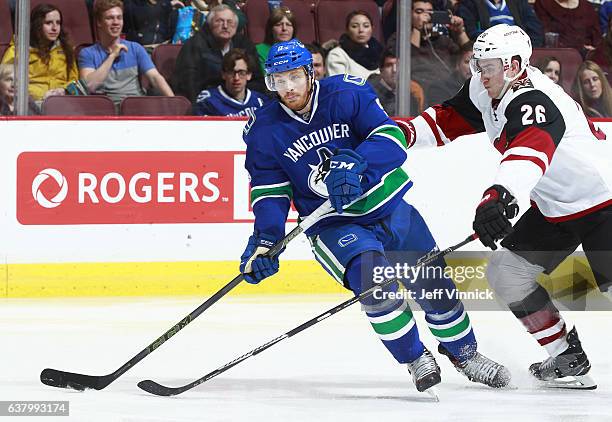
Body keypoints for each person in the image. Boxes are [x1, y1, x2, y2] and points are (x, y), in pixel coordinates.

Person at [240, 39, 511, 393]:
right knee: (374, 282)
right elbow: (271, 192)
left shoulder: (347, 93)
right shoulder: (263, 130)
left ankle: (465, 354)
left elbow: (391, 137)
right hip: (334, 224)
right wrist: (266, 239)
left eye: (294, 76)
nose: (288, 88)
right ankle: (415, 358)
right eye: (278, 80)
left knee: (434, 286)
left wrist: (358, 161)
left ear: (310, 72)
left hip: (389, 206)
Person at [396, 24, 611, 389]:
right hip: (555, 207)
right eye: (478, 65)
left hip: (603, 201)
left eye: (488, 66)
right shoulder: (486, 86)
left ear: (513, 65)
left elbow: (530, 153)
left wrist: (499, 194)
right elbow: (449, 119)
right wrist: (400, 134)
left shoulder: (533, 100)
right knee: (507, 274)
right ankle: (567, 357)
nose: (479, 73)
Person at [79, 0, 174, 105]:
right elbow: (89, 86)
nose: (116, 22)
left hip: (137, 107)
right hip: (107, 111)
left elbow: (155, 78)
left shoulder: (135, 48)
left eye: (119, 18)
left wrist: (174, 102)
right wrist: (112, 56)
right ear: (99, 22)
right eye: (110, 18)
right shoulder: (87, 53)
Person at [172, 4, 263, 102]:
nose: (225, 26)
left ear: (236, 26)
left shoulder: (245, 45)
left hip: (242, 101)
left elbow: (257, 79)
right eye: (219, 21)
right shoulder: (194, 45)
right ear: (210, 24)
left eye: (230, 22)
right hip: (209, 102)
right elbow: (188, 84)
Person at [388, 0, 470, 94]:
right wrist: (417, 29)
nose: (425, 16)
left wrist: (460, 33)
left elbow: (467, 57)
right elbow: (411, 61)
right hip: (418, 91)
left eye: (430, 12)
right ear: (409, 15)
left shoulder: (442, 40)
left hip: (448, 89)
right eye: (419, 12)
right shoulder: (399, 38)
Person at [1, 3, 78, 102]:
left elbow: (74, 80)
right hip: (30, 103)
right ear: (37, 25)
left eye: (58, 23)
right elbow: (5, 81)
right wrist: (39, 95)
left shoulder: (66, 49)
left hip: (62, 102)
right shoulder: (19, 50)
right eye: (48, 23)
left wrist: (64, 90)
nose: (55, 28)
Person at [194, 48, 268, 116]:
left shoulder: (261, 101)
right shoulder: (209, 100)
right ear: (223, 74)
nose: (236, 78)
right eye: (231, 72)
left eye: (241, 72)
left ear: (249, 75)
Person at [457, 0, 544, 47]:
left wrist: (527, 50)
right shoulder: (469, 3)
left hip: (518, 49)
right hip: (489, 51)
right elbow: (471, 33)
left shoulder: (518, 2)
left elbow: (535, 31)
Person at [326, 10, 384, 80]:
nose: (361, 30)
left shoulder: (381, 52)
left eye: (366, 26)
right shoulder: (337, 55)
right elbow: (339, 87)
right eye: (354, 26)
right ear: (347, 30)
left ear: (372, 28)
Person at [366, 49, 424, 115]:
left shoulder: (412, 91)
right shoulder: (370, 93)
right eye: (389, 65)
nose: (394, 70)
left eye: (398, 65)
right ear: (381, 70)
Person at [534, 0, 600, 55]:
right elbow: (545, 34)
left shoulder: (587, 7)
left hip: (584, 56)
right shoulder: (544, 3)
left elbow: (596, 38)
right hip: (556, 55)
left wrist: (593, 50)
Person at [427, 41, 473, 106]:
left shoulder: (486, 89)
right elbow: (441, 114)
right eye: (467, 62)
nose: (472, 68)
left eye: (476, 63)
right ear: (457, 64)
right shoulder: (439, 88)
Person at [255, 6, 297, 74]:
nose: (284, 28)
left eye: (288, 25)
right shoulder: (259, 51)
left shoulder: (300, 49)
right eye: (278, 25)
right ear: (270, 29)